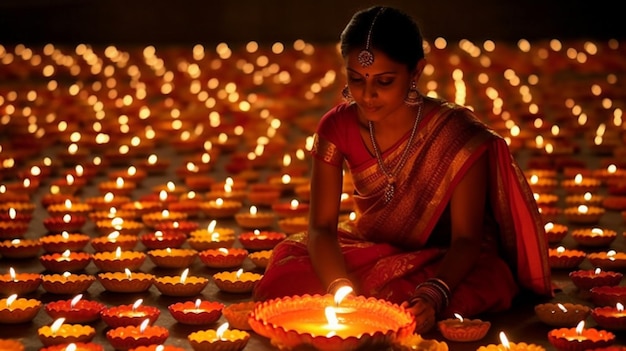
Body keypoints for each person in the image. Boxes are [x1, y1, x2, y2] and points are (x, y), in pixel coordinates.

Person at [253, 5, 553, 334]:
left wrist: (435, 293)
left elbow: (466, 240)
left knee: (487, 280)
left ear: (415, 72)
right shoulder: (336, 127)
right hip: (373, 251)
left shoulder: (457, 134)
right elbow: (321, 228)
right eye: (356, 79)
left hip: (443, 260)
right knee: (288, 263)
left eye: (384, 81)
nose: (367, 95)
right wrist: (339, 288)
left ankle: (412, 305)